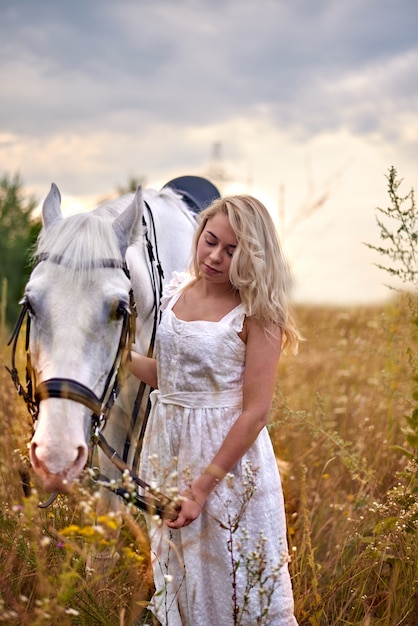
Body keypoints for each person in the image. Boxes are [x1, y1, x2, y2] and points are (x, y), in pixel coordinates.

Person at [130, 194, 300, 625]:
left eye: (232, 250)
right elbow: (173, 377)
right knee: (181, 577)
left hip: (227, 467)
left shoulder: (258, 313)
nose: (215, 256)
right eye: (211, 241)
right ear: (200, 231)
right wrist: (119, 360)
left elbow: (255, 412)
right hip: (169, 449)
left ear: (253, 257)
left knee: (233, 580)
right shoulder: (175, 292)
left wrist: (201, 488)